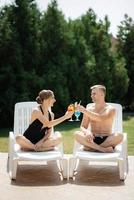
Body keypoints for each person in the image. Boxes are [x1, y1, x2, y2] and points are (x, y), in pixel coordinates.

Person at [74, 85, 123, 153]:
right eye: (91, 94)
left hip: (107, 139)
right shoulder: (89, 109)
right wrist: (87, 132)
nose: (91, 96)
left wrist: (85, 111)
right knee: (77, 134)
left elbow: (101, 118)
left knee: (119, 136)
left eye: (94, 94)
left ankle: (91, 148)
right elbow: (83, 127)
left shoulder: (111, 109)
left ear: (102, 95)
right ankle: (102, 149)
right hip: (92, 139)